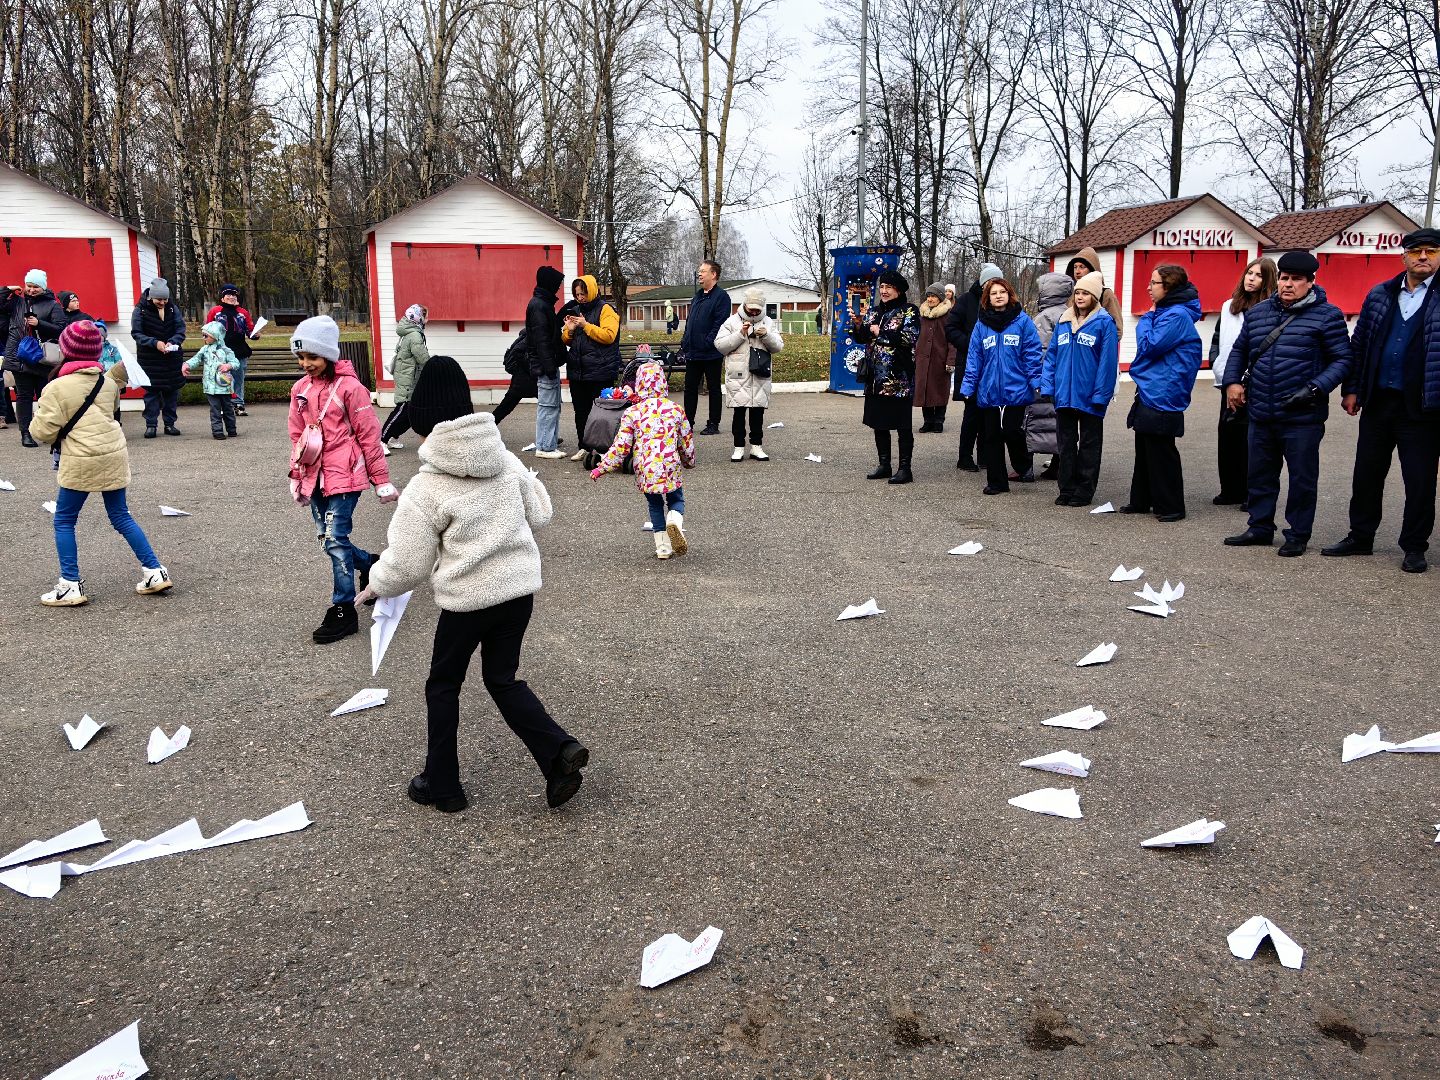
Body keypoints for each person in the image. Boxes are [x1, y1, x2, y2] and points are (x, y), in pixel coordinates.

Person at [355, 356, 589, 812]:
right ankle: (557, 751)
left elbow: (407, 564)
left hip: (467, 603)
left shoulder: (427, 487)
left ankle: (443, 783)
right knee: (502, 679)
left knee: (443, 685)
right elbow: (541, 512)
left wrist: (374, 585)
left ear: (422, 423)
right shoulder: (502, 459)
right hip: (517, 592)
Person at [30, 320, 172, 606]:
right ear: (96, 350)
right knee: (121, 516)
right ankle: (154, 571)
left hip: (81, 459)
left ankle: (70, 584)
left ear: (65, 350)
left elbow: (41, 432)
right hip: (113, 454)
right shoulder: (107, 382)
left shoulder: (56, 387)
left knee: (65, 520)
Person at [1322, 229, 1440, 573]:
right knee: (1367, 474)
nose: (1423, 257)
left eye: (1431, 252)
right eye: (1416, 251)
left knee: (1419, 481)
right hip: (1379, 401)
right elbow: (1360, 345)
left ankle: (1415, 546)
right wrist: (1352, 388)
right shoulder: (1381, 294)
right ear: (1403, 256)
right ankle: (1361, 536)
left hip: (1423, 406)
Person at [1222, 251, 1353, 556]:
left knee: (1302, 478)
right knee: (1259, 473)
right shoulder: (1258, 313)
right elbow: (1240, 351)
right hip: (1261, 409)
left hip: (1302, 414)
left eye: (1296, 279)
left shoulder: (1328, 315)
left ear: (1310, 282)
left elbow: (1343, 359)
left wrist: (1315, 388)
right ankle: (1259, 527)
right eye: (1284, 278)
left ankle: (1298, 534)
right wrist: (1232, 382)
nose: (1288, 284)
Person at [286, 315, 398, 644]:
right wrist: (297, 470)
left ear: (329, 355)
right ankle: (373, 565)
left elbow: (369, 435)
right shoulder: (300, 389)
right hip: (314, 476)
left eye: (313, 357)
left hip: (347, 477)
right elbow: (298, 433)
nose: (306, 364)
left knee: (335, 538)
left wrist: (380, 479)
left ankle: (343, 609)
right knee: (328, 539)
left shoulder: (351, 389)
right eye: (301, 357)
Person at [590, 361, 696, 559]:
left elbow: (621, 446)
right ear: (663, 383)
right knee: (676, 498)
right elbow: (685, 440)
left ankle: (663, 548)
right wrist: (689, 460)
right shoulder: (675, 409)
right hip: (669, 466)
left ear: (639, 384)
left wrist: (602, 468)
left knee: (655, 505)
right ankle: (674, 519)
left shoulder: (632, 412)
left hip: (646, 468)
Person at [1123, 264, 1203, 522]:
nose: (1148, 287)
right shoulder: (1169, 311)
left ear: (1168, 287)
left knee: (1160, 449)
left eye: (1153, 283)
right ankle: (1142, 500)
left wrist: (1146, 318)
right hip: (1153, 386)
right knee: (1145, 445)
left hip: (1164, 390)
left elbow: (1150, 345)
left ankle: (1171, 506)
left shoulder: (1176, 315)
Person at [1040, 271, 1119, 507]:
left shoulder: (1104, 323)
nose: (1080, 297)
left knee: (1089, 445)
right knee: (1065, 444)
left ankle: (1085, 490)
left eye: (1085, 293)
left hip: (1090, 397)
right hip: (1064, 395)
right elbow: (1051, 357)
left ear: (1094, 296)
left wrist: (1100, 395)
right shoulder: (1064, 322)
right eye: (1077, 293)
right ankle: (1067, 488)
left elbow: (1107, 363)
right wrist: (1048, 386)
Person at [960, 276, 1043, 495]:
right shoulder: (981, 325)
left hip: (1016, 390)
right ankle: (997, 482)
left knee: (1012, 431)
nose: (998, 296)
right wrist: (968, 387)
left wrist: (1037, 381)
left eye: (1002, 292)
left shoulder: (1023, 322)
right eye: (994, 293)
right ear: (987, 298)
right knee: (992, 436)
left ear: (1009, 295)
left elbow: (1032, 353)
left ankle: (1023, 463)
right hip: (989, 391)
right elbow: (974, 358)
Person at [1209, 258, 1277, 507]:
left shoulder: (1272, 309)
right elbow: (1217, 341)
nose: (1251, 279)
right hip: (1228, 380)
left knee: (1251, 439)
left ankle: (1251, 492)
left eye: (1258, 275)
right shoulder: (1229, 306)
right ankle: (1230, 489)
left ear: (1267, 280)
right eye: (1249, 273)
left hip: (1257, 383)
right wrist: (1218, 365)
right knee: (1227, 436)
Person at [853, 269, 922, 484]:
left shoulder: (909, 311)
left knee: (902, 424)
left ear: (899, 290)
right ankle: (884, 465)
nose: (884, 291)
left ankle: (905, 469)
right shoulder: (873, 312)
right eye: (882, 287)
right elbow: (861, 335)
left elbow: (909, 337)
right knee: (879, 423)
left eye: (889, 287)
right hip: (875, 379)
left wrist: (878, 333)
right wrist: (858, 324)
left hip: (898, 378)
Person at [715, 285, 783, 460]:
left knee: (758, 412)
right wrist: (740, 334)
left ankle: (756, 446)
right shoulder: (731, 322)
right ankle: (738, 447)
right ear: (745, 305)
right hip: (738, 374)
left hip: (760, 373)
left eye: (757, 310)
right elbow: (720, 346)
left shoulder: (768, 321)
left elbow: (778, 346)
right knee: (738, 412)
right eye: (751, 310)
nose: (754, 313)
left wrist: (766, 335)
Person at [945, 263, 1001, 471]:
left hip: (994, 366)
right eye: (988, 283)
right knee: (972, 413)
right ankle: (965, 457)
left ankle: (985, 456)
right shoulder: (967, 300)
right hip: (970, 364)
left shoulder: (1001, 302)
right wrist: (970, 343)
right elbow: (951, 327)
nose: (992, 288)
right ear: (982, 282)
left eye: (996, 284)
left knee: (990, 413)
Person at [2, 268, 66, 447]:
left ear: (43, 287)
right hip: (19, 357)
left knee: (45, 397)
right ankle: (25, 433)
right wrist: (8, 289)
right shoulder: (16, 302)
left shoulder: (52, 305)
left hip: (42, 359)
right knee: (23, 396)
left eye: (35, 286)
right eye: (28, 286)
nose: (31, 290)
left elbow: (61, 328)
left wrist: (39, 324)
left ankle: (47, 431)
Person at [561, 275, 621, 461]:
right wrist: (569, 329)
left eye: (583, 293)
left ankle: (603, 448)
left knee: (601, 413)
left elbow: (609, 336)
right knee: (581, 411)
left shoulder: (606, 309)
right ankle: (584, 447)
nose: (580, 297)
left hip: (600, 371)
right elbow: (566, 340)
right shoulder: (576, 310)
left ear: (592, 290)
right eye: (577, 294)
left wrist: (586, 325)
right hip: (578, 371)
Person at [1030, 271, 1076, 480]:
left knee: (1037, 421)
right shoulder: (1068, 312)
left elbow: (1038, 349)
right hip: (1062, 378)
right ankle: (1058, 464)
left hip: (1045, 377)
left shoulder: (1045, 316)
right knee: (1057, 422)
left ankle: (1027, 467)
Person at [130, 277, 187, 438]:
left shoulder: (172, 309)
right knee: (151, 394)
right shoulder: (140, 310)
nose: (162, 302)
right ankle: (151, 425)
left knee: (171, 393)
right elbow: (137, 333)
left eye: (165, 299)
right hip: (150, 359)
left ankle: (170, 424)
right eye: (159, 299)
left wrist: (172, 342)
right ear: (151, 297)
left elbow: (180, 330)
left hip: (172, 358)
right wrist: (154, 343)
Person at [680, 259, 731, 434]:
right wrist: (685, 341)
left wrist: (707, 342)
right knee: (690, 388)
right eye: (699, 271)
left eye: (703, 271)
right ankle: (687, 423)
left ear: (713, 274)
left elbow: (720, 324)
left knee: (714, 388)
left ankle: (713, 424)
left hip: (711, 353)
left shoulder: (722, 297)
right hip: (693, 352)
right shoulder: (698, 296)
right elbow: (690, 322)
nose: (699, 274)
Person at [527, 266, 567, 459]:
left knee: (552, 406)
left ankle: (548, 444)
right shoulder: (539, 305)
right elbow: (542, 340)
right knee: (548, 406)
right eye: (557, 284)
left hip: (547, 364)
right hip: (545, 366)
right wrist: (550, 367)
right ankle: (545, 447)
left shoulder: (542, 304)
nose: (559, 287)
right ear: (549, 283)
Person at [381, 303, 430, 452]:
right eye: (426, 316)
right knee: (403, 409)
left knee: (410, 412)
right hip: (408, 377)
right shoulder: (414, 334)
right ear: (418, 317)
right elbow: (422, 357)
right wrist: (434, 366)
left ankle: (391, 437)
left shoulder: (410, 331)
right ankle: (381, 440)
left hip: (408, 375)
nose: (427, 319)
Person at [183, 321, 240, 440]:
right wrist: (187, 365)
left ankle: (231, 429)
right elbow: (196, 359)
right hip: (210, 386)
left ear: (215, 336)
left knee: (228, 409)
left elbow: (236, 363)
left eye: (206, 336)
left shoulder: (226, 350)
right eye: (203, 335)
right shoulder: (205, 349)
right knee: (215, 410)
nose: (203, 338)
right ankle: (217, 431)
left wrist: (228, 366)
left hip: (224, 386)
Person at [205, 284, 256, 416]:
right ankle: (225, 405)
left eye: (234, 295)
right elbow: (208, 330)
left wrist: (255, 334)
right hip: (221, 352)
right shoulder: (215, 311)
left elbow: (250, 331)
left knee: (238, 378)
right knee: (223, 379)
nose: (231, 297)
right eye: (228, 294)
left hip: (239, 350)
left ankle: (238, 404)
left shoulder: (243, 313)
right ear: (222, 297)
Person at [913, 282, 954, 433]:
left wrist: (950, 360)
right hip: (922, 360)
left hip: (940, 360)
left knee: (940, 391)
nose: (930, 299)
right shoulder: (922, 315)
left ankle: (939, 421)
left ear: (941, 298)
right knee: (924, 391)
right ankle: (927, 421)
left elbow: (952, 341)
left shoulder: (948, 316)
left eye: (933, 296)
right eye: (928, 296)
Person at [1062, 247, 1125, 337]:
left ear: (1092, 269)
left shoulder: (1105, 294)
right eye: (1075, 267)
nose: (1077, 271)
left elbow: (1116, 330)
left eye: (1082, 267)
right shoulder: (1071, 294)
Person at [491, 327, 537, 425]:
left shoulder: (526, 335)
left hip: (521, 379)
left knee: (505, 407)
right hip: (527, 379)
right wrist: (531, 368)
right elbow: (517, 351)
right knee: (550, 407)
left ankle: (549, 436)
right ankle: (486, 430)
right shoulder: (532, 335)